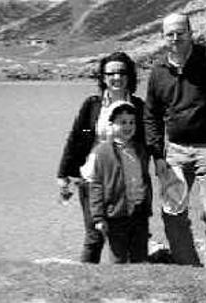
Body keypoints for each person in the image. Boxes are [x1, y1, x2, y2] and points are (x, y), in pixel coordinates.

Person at [144, 13, 206, 269]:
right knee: (173, 215)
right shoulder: (158, 72)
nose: (175, 38)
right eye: (170, 34)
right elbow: (151, 115)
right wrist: (157, 155)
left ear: (191, 32)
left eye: (181, 32)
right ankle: (191, 270)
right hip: (175, 153)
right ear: (163, 37)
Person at [56, 51, 146, 263]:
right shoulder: (92, 105)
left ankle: (128, 278)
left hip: (125, 182)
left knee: (128, 234)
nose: (117, 77)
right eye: (111, 73)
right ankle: (86, 283)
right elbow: (76, 138)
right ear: (103, 77)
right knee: (94, 234)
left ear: (130, 76)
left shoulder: (139, 106)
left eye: (122, 72)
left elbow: (147, 143)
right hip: (92, 178)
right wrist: (63, 174)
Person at [87, 101, 153, 264]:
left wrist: (147, 204)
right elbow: (96, 185)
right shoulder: (102, 152)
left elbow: (145, 179)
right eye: (122, 122)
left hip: (139, 213)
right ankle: (117, 286)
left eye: (131, 122)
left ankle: (140, 286)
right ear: (111, 125)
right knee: (118, 260)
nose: (128, 126)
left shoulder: (139, 149)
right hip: (116, 214)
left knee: (140, 258)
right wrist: (98, 217)